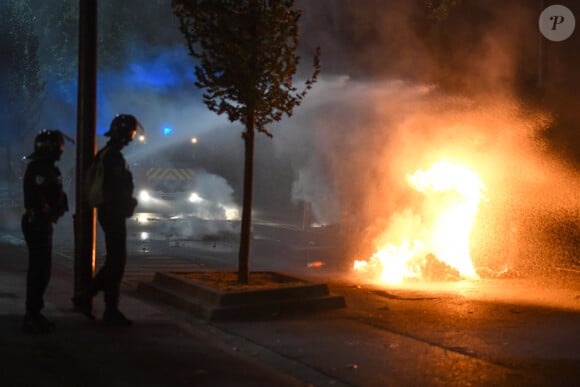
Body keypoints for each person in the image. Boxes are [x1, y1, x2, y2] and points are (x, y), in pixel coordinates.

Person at [73, 114, 142, 326]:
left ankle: (107, 306)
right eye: (129, 134)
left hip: (110, 211)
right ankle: (91, 297)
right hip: (112, 212)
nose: (131, 139)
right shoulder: (113, 157)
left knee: (115, 261)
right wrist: (128, 203)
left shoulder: (106, 154)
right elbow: (116, 188)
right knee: (116, 262)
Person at [21, 129, 69, 334]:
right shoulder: (40, 170)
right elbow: (37, 199)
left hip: (41, 222)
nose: (61, 152)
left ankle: (34, 312)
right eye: (58, 148)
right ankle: (32, 314)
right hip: (37, 223)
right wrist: (48, 210)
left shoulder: (46, 168)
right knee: (39, 271)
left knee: (42, 269)